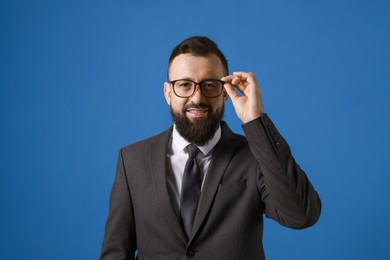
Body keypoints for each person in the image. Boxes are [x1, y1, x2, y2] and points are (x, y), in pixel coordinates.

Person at [100, 36, 321, 260]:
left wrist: (256, 119)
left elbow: (301, 215)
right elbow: (116, 253)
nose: (197, 97)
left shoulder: (255, 155)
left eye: (209, 85)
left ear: (225, 93)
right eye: (184, 85)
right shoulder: (132, 160)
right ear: (168, 93)